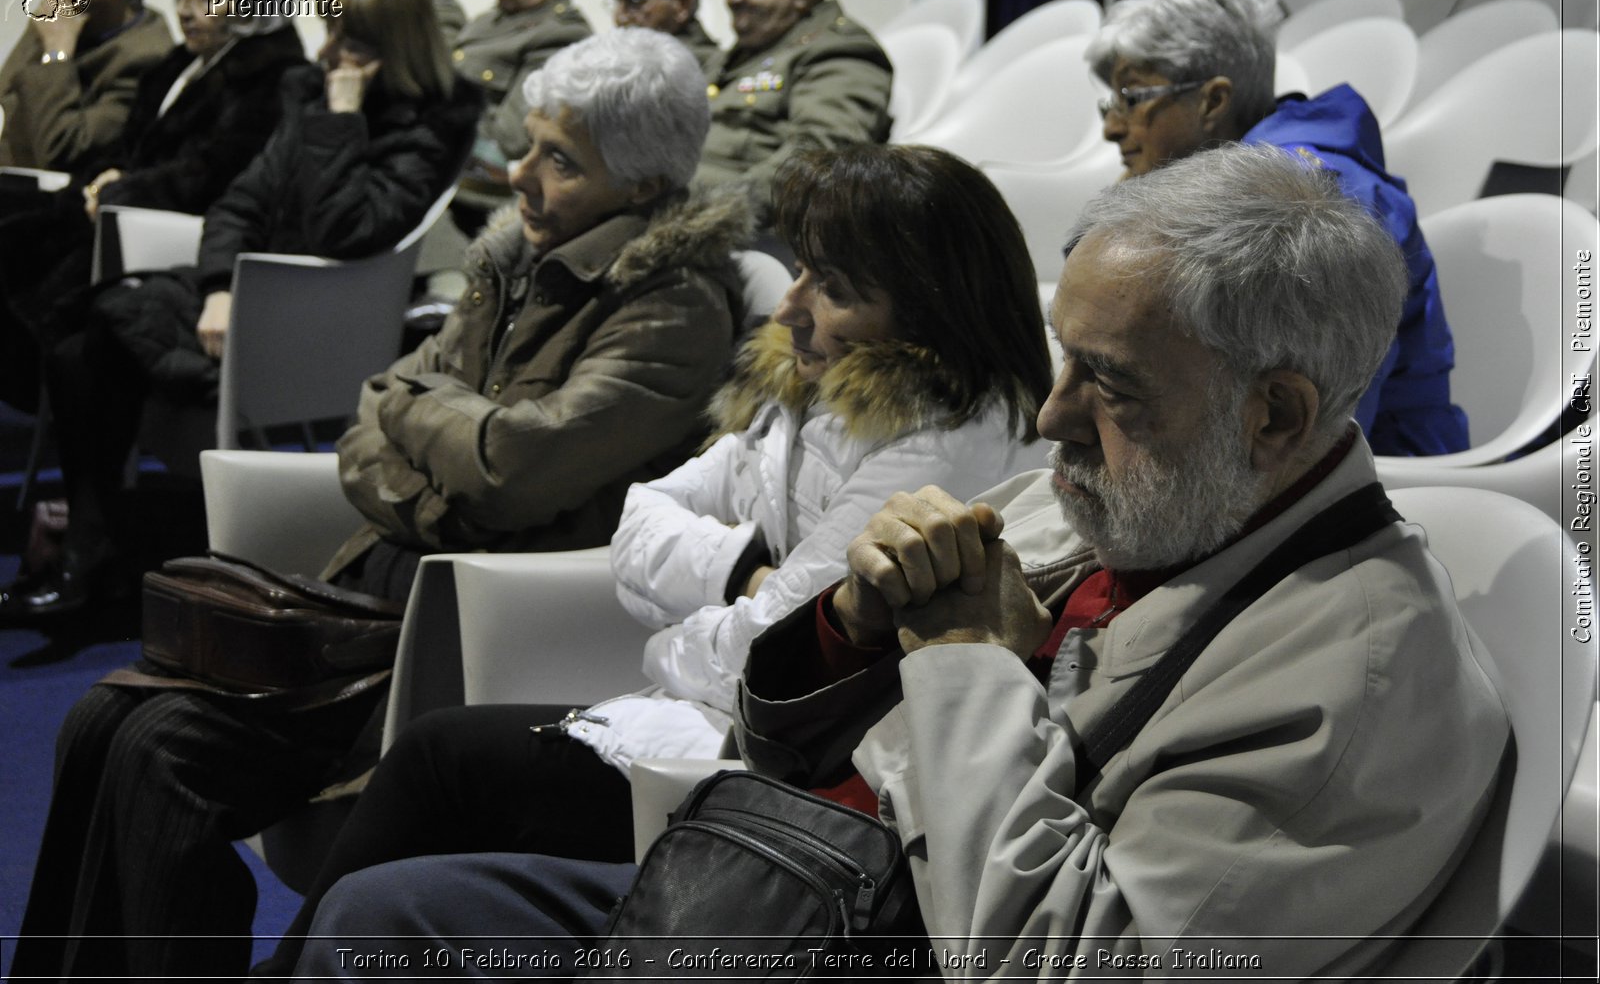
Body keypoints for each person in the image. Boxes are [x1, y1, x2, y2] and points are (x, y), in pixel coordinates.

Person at [286, 145, 1510, 981]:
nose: (1051, 418)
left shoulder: (1360, 679)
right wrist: (851, 632)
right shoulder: (1109, 500)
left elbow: (1062, 966)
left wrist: (962, 661)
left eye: (1111, 384)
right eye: (1062, 361)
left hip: (879, 934)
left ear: (1277, 416)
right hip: (790, 882)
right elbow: (775, 740)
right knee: (387, 914)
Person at [12, 25, 749, 982]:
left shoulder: (670, 304)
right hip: (361, 601)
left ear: (645, 185)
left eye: (558, 159)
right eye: (525, 143)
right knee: (101, 719)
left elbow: (509, 465)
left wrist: (428, 435)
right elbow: (376, 408)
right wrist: (438, 451)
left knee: (162, 750)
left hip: (453, 624)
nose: (518, 174)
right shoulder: (516, 259)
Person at [273, 141, 1053, 979]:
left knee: (443, 766)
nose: (787, 307)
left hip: (782, 779)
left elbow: (766, 657)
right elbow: (643, 513)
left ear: (930, 311)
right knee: (439, 763)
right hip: (703, 725)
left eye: (831, 287)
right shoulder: (811, 389)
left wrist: (682, 634)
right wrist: (738, 570)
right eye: (801, 272)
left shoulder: (942, 442)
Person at [0, 0, 482, 622]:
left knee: (92, 343)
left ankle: (92, 553)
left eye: (345, 37)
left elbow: (347, 230)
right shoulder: (312, 93)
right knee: (76, 347)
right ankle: (94, 549)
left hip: (306, 319)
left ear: (389, 48)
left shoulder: (425, 123)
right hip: (248, 298)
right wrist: (220, 287)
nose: (325, 50)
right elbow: (240, 203)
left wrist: (340, 121)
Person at [1086, 0, 1468, 456]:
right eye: (1110, 102)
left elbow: (1322, 422)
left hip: (1377, 469)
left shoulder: (1313, 202)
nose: (1112, 128)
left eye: (1133, 98)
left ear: (1212, 101)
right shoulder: (1232, 183)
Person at [0, 0, 307, 418]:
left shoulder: (274, 78)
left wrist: (121, 187)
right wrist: (109, 176)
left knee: (61, 334)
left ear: (249, 3)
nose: (185, 9)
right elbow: (129, 149)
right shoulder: (183, 64)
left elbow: (215, 172)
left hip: (171, 239)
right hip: (120, 216)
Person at [696, 0, 893, 219]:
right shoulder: (749, 50)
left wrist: (699, 216)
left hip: (728, 232)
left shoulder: (839, 52)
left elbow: (817, 162)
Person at [0, 0, 170, 174]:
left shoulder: (147, 58)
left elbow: (61, 152)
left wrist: (57, 55)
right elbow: (5, 104)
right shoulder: (62, 21)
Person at [452, 0, 591, 224]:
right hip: (444, 177)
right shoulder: (486, 22)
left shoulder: (561, 37)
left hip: (480, 202)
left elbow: (509, 140)